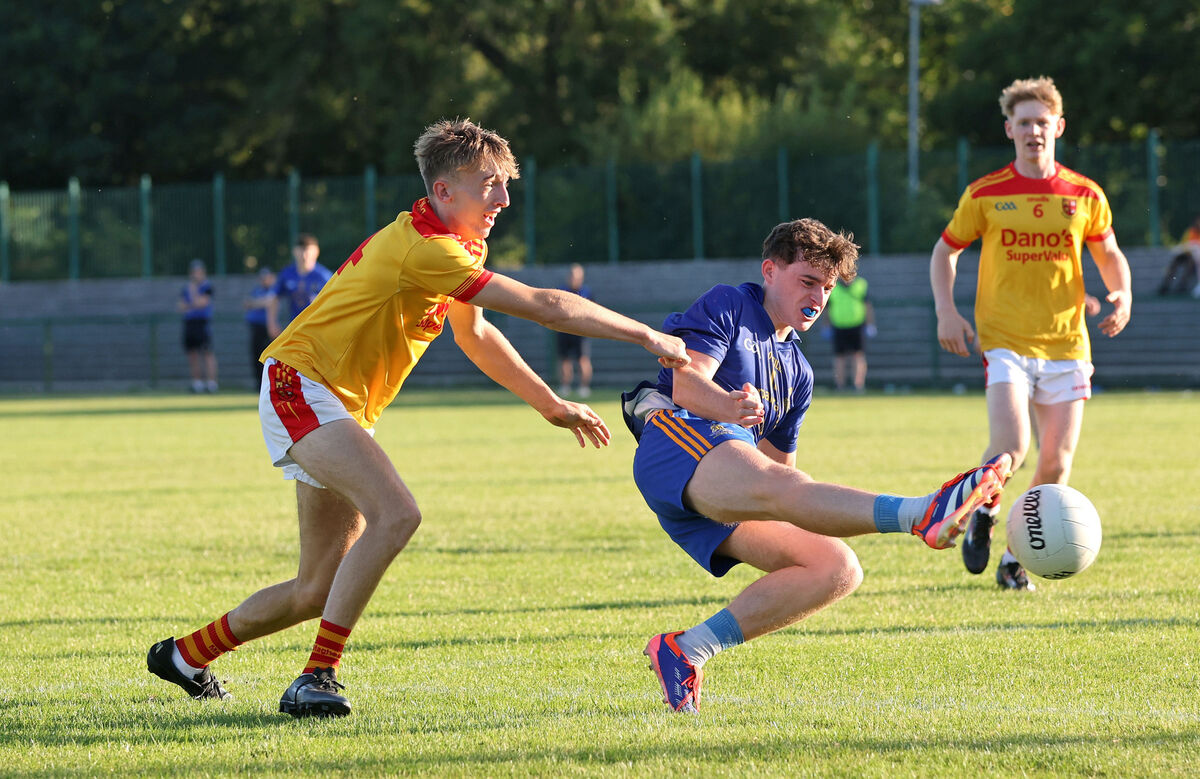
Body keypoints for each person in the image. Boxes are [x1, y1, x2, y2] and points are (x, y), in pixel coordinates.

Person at [146, 118, 691, 718]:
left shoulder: (451, 245)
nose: (503, 200)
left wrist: (550, 404)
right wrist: (645, 335)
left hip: (337, 401)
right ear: (443, 191)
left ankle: (185, 657)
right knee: (398, 514)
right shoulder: (426, 250)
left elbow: (476, 335)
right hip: (301, 385)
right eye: (489, 184)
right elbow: (546, 307)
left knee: (318, 589)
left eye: (506, 185)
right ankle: (317, 676)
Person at [622, 218, 1013, 714]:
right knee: (779, 486)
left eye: (827, 288)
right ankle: (922, 512)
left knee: (835, 568)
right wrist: (727, 407)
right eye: (808, 281)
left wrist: (814, 510)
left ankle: (686, 650)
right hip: (676, 444)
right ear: (770, 270)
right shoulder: (730, 304)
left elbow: (782, 477)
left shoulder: (799, 373)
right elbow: (685, 385)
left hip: (727, 482)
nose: (819, 296)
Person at [929, 76, 1132, 591]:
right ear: (1009, 129)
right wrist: (946, 312)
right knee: (1011, 449)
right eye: (1024, 123)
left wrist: (1122, 293)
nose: (1033, 131)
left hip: (1067, 343)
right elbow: (945, 251)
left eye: (1042, 122)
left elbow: (1109, 254)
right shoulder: (987, 192)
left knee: (1056, 464)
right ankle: (985, 514)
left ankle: (1015, 561)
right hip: (1006, 342)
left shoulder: (1084, 193)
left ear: (1058, 127)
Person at [267, 233, 332, 335]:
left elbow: (334, 301)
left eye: (308, 250)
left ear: (316, 251)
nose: (304, 255)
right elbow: (274, 298)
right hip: (295, 329)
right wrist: (272, 323)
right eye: (301, 250)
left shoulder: (324, 276)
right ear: (294, 251)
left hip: (319, 329)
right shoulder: (287, 274)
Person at [823, 275, 875, 393]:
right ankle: (840, 386)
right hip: (838, 326)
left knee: (858, 356)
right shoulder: (833, 285)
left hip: (857, 325)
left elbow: (867, 306)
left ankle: (858, 386)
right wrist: (826, 325)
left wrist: (870, 324)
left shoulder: (861, 284)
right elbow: (827, 308)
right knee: (839, 357)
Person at [178, 258, 219, 393]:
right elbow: (181, 306)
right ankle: (197, 383)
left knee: (207, 352)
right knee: (192, 354)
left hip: (202, 323)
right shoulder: (186, 287)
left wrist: (193, 296)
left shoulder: (206, 286)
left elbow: (202, 302)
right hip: (190, 323)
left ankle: (211, 383)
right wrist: (191, 303)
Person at [555, 263, 595, 398]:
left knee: (583, 359)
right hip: (564, 331)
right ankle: (565, 386)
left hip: (580, 333)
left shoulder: (587, 292)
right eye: (572, 276)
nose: (574, 279)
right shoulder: (561, 291)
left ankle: (584, 388)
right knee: (564, 360)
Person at [243, 266, 276, 390]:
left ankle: (267, 384)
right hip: (255, 327)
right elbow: (247, 303)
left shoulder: (274, 290)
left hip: (267, 327)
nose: (264, 280)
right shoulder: (257, 290)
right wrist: (257, 303)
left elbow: (268, 302)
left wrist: (255, 303)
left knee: (267, 357)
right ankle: (258, 384)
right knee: (256, 355)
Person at [1156, 214, 1200, 297]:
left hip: (1196, 258)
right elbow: (1185, 244)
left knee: (1191, 263)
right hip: (1186, 254)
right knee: (1175, 261)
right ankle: (1165, 285)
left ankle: (1182, 285)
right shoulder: (1190, 231)